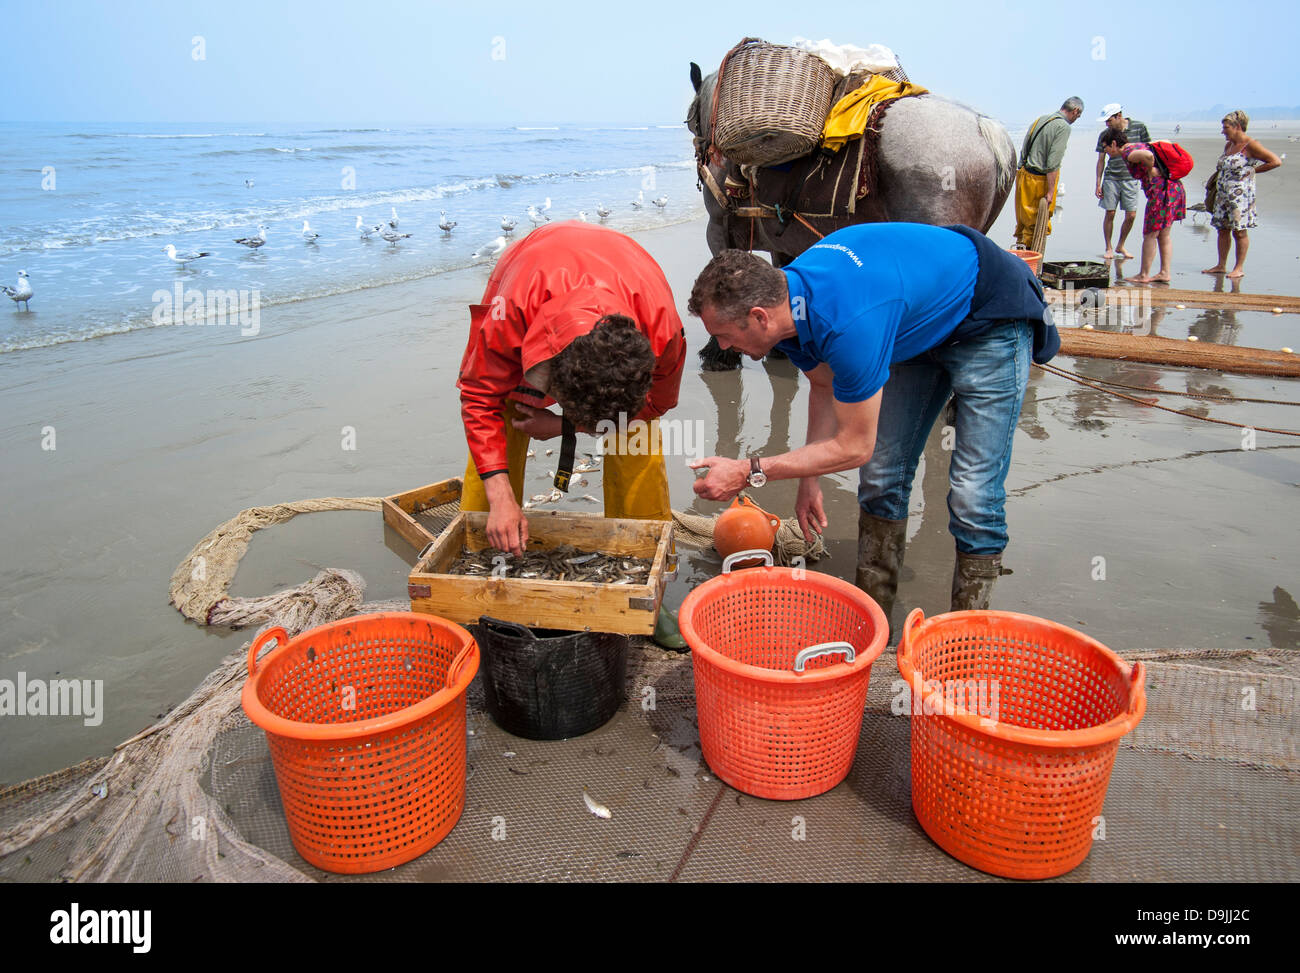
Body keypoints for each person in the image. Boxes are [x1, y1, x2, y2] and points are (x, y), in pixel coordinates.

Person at [686, 223, 1059, 632]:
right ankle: (873, 622)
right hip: (909, 323)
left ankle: (968, 637)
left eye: (723, 335)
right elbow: (824, 385)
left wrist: (748, 470)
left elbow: (854, 446)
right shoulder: (787, 307)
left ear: (759, 317)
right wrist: (808, 481)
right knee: (882, 476)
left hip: (989, 314)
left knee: (972, 493)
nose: (721, 348)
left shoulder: (848, 323)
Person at [456, 220, 688, 645]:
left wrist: (566, 425)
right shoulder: (508, 316)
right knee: (502, 425)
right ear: (551, 380)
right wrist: (501, 495)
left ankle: (650, 593)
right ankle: (475, 575)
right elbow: (478, 397)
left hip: (629, 275)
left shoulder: (664, 330)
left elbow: (657, 404)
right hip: (531, 274)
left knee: (638, 442)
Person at [1202, 110, 1283, 278]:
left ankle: (1239, 267)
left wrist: (1254, 170)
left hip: (1240, 196)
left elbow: (1275, 161)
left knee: (1239, 231)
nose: (1223, 131)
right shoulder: (1229, 145)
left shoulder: (1250, 145)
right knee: (1222, 229)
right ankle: (1221, 264)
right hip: (1222, 194)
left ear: (1237, 127)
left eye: (1225, 127)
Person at [1100, 130, 1186, 283]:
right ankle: (1164, 272)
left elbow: (1149, 156)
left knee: (1150, 235)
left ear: (1114, 144)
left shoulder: (1128, 153)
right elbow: (1164, 141)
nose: (1105, 151)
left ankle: (1144, 274)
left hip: (1161, 193)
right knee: (1164, 234)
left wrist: (1150, 169)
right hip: (1173, 188)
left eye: (1105, 147)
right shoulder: (1137, 145)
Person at [1014, 97, 1084, 248]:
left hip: (1023, 176)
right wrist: (1051, 190)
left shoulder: (1041, 120)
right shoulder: (1063, 127)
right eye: (1078, 116)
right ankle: (1031, 264)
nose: (1076, 119)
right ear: (1075, 111)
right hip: (1038, 181)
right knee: (1036, 227)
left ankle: (1020, 257)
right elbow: (1053, 162)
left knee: (1023, 225)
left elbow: (1025, 147)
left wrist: (1021, 171)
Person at [1094, 103, 1151, 258]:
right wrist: (1098, 182)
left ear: (1119, 116)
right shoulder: (1105, 135)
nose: (1107, 124)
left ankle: (1121, 245)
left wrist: (1147, 177)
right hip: (1111, 177)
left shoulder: (1139, 127)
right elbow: (1101, 160)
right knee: (1110, 212)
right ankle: (1109, 247)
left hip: (1132, 178)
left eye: (1109, 120)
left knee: (1131, 215)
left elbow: (1148, 151)